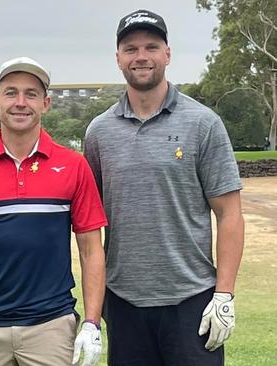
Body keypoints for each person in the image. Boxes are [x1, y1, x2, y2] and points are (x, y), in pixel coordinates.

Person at [84, 9, 245, 365]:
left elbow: (229, 213)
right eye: (130, 49)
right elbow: (90, 224)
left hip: (192, 302)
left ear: (167, 54)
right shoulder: (99, 132)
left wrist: (224, 295)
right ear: (118, 59)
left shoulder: (203, 123)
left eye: (151, 47)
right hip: (124, 303)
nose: (141, 57)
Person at [0, 56, 108, 366]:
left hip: (51, 326)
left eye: (31, 94)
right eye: (11, 92)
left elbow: (90, 250)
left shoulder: (73, 165)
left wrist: (92, 322)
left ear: (45, 103)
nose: (20, 102)